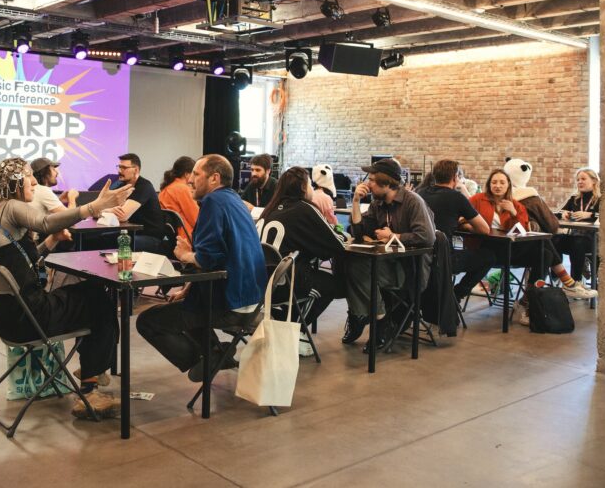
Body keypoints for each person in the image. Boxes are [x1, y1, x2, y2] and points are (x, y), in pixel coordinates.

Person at [0, 157, 133, 419]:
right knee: (99, 299)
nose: (34, 181)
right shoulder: (12, 206)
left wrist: (52, 240)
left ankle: (92, 371)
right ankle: (90, 388)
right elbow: (46, 222)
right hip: (31, 317)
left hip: (8, 317)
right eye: (29, 176)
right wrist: (95, 206)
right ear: (16, 182)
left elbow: (24, 262)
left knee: (89, 293)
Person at [136, 154, 267, 382]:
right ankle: (216, 352)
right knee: (188, 305)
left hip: (230, 303)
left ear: (214, 178)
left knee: (147, 321)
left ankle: (205, 361)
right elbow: (222, 256)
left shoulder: (212, 202)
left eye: (196, 174)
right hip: (251, 299)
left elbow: (208, 259)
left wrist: (184, 255)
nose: (190, 180)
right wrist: (188, 289)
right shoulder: (234, 199)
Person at [469, 170, 595, 327]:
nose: (498, 186)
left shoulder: (516, 204)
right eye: (494, 182)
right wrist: (473, 227)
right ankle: (567, 282)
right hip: (489, 249)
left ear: (509, 185)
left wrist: (513, 212)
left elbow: (522, 229)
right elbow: (462, 218)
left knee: (545, 254)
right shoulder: (477, 199)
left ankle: (527, 301)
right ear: (489, 184)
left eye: (502, 182)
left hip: (511, 249)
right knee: (545, 243)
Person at [342, 158, 436, 350]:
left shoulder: (412, 201)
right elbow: (359, 232)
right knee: (346, 262)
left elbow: (427, 237)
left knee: (358, 267)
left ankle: (364, 317)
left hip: (409, 269)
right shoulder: (378, 203)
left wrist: (394, 236)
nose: (368, 183)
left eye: (372, 180)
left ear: (386, 182)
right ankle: (376, 317)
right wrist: (356, 201)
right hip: (386, 263)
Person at [257, 167, 347, 344]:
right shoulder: (303, 208)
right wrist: (341, 234)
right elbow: (337, 244)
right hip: (285, 285)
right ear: (303, 187)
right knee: (332, 285)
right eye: (310, 184)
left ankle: (281, 322)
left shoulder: (269, 210)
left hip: (260, 284)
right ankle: (294, 332)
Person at [416, 160, 493, 300]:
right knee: (489, 257)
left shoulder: (420, 193)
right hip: (445, 259)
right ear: (455, 177)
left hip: (419, 257)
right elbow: (484, 229)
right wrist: (463, 224)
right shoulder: (456, 197)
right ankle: (457, 294)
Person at [109, 153, 168, 252]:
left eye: (124, 168)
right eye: (119, 167)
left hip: (151, 238)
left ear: (136, 170)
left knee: (113, 241)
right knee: (98, 238)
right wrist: (108, 210)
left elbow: (122, 216)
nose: (119, 171)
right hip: (131, 233)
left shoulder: (144, 186)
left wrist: (106, 211)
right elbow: (102, 208)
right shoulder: (121, 185)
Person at [556, 167, 601, 279]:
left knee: (578, 243)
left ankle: (576, 281)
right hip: (575, 236)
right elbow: (557, 213)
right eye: (578, 180)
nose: (579, 182)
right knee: (554, 239)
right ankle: (556, 275)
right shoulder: (574, 198)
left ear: (594, 181)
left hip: (593, 239)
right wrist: (563, 214)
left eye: (583, 179)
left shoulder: (600, 199)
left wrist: (590, 215)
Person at [27, 156, 75, 249]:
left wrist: (59, 200)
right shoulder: (43, 190)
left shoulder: (37, 189)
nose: (57, 173)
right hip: (33, 244)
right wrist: (72, 198)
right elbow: (71, 218)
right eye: (53, 169)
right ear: (45, 172)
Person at [158, 156, 199, 244]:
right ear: (187, 174)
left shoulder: (165, 189)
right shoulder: (182, 189)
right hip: (185, 239)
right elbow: (196, 220)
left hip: (169, 238)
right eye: (194, 174)